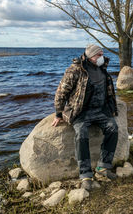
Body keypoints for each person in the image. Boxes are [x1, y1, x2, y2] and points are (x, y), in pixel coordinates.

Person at [51, 44, 118, 191]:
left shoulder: (102, 69)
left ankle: (103, 167)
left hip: (100, 110)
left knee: (113, 128)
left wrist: (112, 108)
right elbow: (61, 91)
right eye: (98, 55)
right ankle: (86, 174)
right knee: (81, 134)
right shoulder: (75, 70)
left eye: (102, 54)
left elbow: (108, 91)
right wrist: (58, 113)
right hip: (81, 112)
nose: (102, 57)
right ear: (90, 56)